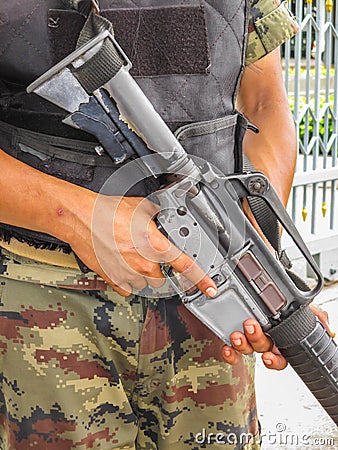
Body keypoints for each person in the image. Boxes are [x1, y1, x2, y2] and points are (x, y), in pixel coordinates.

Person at [0, 1, 324, 449]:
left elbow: (264, 102)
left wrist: (251, 255)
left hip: (204, 292)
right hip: (46, 301)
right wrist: (73, 215)